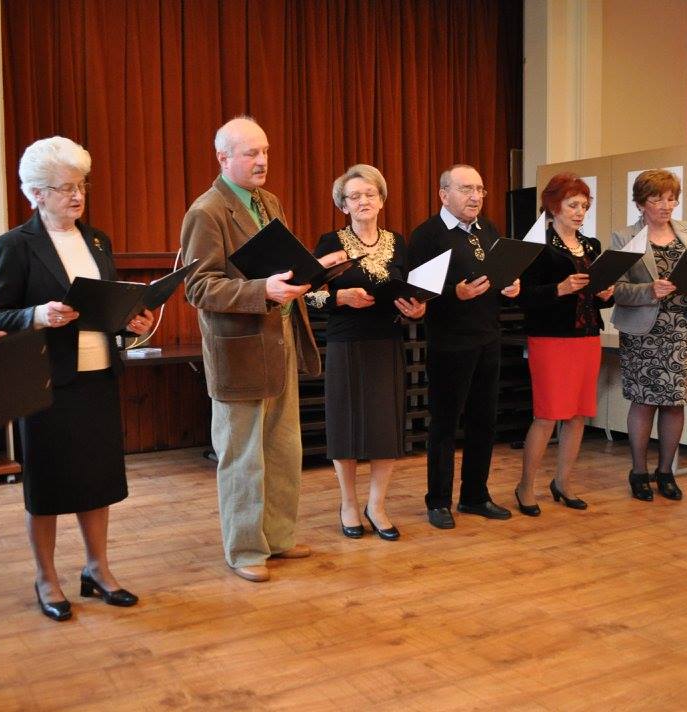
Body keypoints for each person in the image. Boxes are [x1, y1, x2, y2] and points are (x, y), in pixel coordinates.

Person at [0, 136, 154, 621]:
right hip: (46, 381)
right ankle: (47, 577)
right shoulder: (16, 245)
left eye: (81, 185)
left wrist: (130, 323)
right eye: (65, 188)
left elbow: (107, 306)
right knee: (47, 483)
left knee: (98, 478)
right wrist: (38, 314)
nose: (77, 196)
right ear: (36, 193)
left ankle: (97, 569)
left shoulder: (97, 240)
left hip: (98, 374)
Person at [180, 116, 341, 582]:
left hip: (281, 339)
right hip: (240, 349)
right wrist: (261, 290)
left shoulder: (269, 202)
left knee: (283, 448)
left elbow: (282, 268)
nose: (262, 160)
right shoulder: (206, 211)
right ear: (223, 158)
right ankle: (245, 548)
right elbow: (199, 287)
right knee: (243, 454)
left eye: (265, 151)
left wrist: (314, 270)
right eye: (251, 153)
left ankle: (278, 537)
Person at [306, 164, 425, 540]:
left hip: (387, 341)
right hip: (345, 342)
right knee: (345, 424)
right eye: (354, 196)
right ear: (343, 204)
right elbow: (308, 295)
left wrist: (417, 309)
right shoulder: (330, 242)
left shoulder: (398, 242)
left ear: (381, 200)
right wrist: (340, 297)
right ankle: (348, 504)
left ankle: (377, 505)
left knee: (384, 426)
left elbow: (413, 288)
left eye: (370, 194)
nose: (363, 201)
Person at [407, 164, 520, 529]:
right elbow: (415, 292)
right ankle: (438, 501)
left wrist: (511, 285)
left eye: (480, 190)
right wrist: (453, 292)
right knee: (444, 424)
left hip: (488, 337)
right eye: (467, 189)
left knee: (483, 421)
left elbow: (499, 275)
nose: (476, 197)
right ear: (444, 194)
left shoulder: (489, 230)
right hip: (450, 342)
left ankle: (475, 496)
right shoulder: (427, 235)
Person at [612, 169, 687, 501]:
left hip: (683, 329)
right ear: (641, 202)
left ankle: (666, 472)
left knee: (674, 403)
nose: (666, 205)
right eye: (657, 199)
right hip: (643, 333)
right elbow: (615, 289)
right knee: (644, 402)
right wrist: (649, 290)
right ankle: (638, 472)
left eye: (671, 199)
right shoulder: (625, 236)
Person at [514, 173, 614, 515]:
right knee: (547, 415)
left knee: (578, 414)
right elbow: (522, 297)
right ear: (554, 206)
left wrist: (606, 294)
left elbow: (594, 298)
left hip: (587, 336)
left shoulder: (592, 246)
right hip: (550, 338)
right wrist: (559, 288)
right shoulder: (537, 246)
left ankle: (563, 483)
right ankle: (525, 486)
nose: (580, 212)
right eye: (573, 205)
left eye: (584, 206)